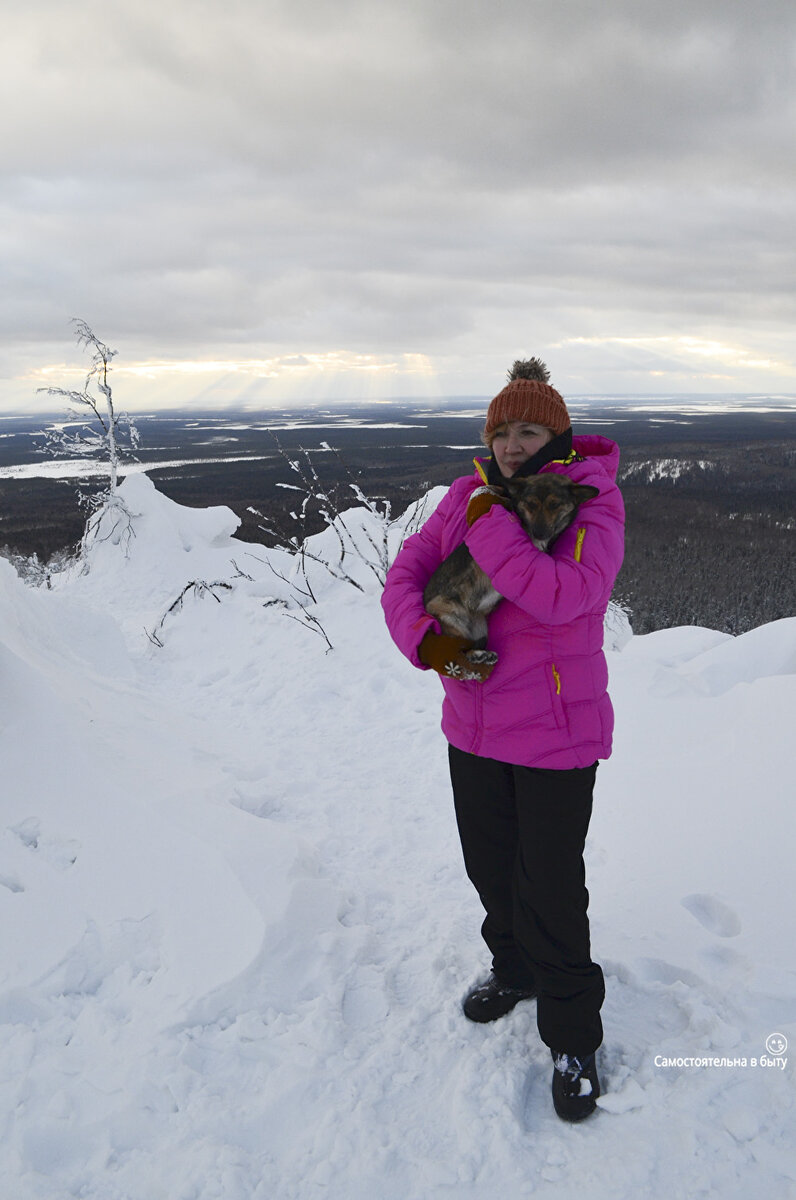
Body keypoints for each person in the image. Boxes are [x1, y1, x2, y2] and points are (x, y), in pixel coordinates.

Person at [381, 358, 625, 1122]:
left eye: (529, 430)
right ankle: (514, 969)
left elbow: (561, 596)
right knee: (490, 867)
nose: (514, 445)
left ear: (558, 435)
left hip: (555, 735)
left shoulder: (588, 501)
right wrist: (432, 645)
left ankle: (574, 1037)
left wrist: (490, 517)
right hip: (474, 726)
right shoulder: (466, 495)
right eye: (502, 432)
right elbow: (406, 575)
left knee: (549, 887)